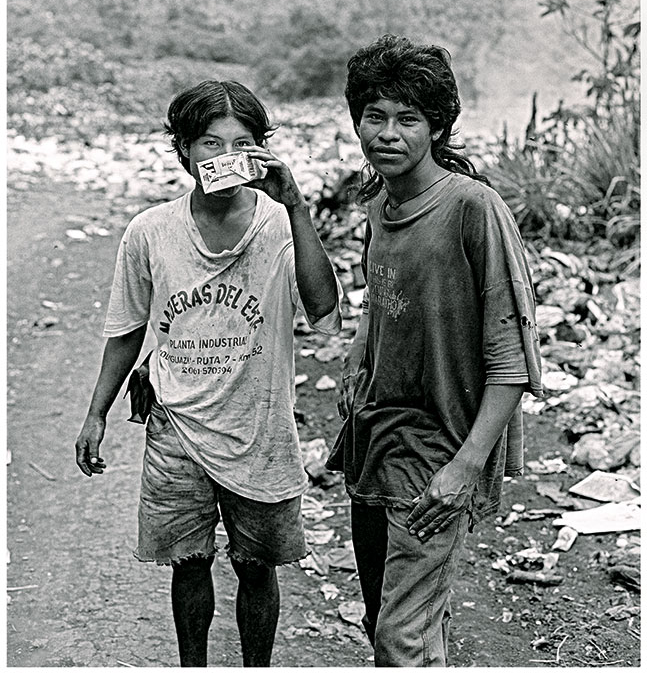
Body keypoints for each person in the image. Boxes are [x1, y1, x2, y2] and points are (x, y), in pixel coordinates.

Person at [75, 80, 342, 667]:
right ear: (183, 151)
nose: (223, 156)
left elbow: (324, 309)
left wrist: (296, 205)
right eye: (208, 143)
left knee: (257, 567)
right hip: (177, 429)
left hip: (259, 428)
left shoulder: (278, 223)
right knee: (189, 565)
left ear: (261, 151)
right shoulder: (150, 231)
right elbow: (126, 329)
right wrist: (96, 413)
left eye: (241, 143)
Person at [326, 35, 543, 667]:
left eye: (408, 119)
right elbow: (380, 295)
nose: (387, 134)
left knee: (401, 638)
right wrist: (358, 357)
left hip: (439, 450)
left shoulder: (473, 209)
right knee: (395, 624)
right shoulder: (380, 206)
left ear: (438, 127)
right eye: (375, 116)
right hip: (377, 439)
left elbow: (512, 356)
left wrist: (466, 466)